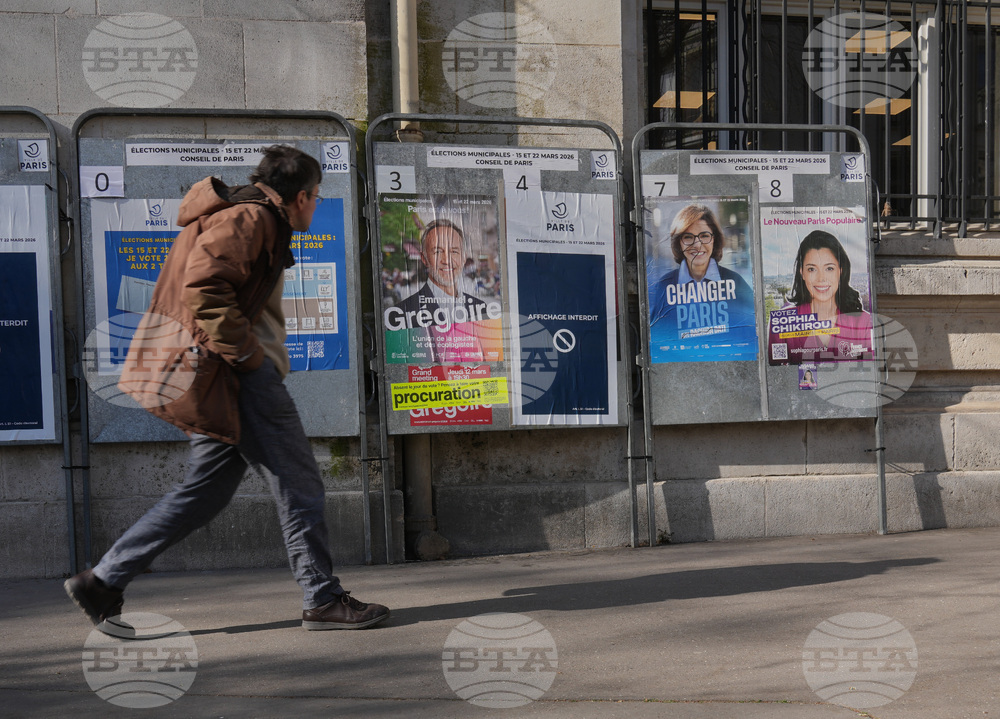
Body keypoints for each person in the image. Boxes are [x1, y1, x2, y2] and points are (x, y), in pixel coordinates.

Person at [65, 145, 389, 632]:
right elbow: (204, 286)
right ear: (300, 196)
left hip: (224, 373)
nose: (316, 205)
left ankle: (103, 580)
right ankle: (322, 599)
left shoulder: (245, 214)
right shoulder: (252, 218)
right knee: (299, 484)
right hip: (238, 375)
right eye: (316, 196)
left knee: (204, 492)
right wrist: (247, 356)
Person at [647, 203, 756, 352]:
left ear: (714, 239)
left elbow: (752, 336)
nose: (697, 244)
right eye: (688, 237)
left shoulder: (736, 283)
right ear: (679, 242)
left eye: (704, 236)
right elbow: (657, 342)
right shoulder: (663, 287)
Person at [388, 218, 489, 362]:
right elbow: (400, 372)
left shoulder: (481, 309)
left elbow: (490, 365)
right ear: (424, 258)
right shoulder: (401, 315)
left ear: (463, 258)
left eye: (454, 251)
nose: (446, 260)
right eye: (437, 252)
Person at [771, 230, 873, 363]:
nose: (821, 278)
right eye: (811, 269)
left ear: (840, 271)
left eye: (829, 268)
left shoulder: (863, 322)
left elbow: (869, 375)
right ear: (802, 273)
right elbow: (777, 377)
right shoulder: (782, 323)